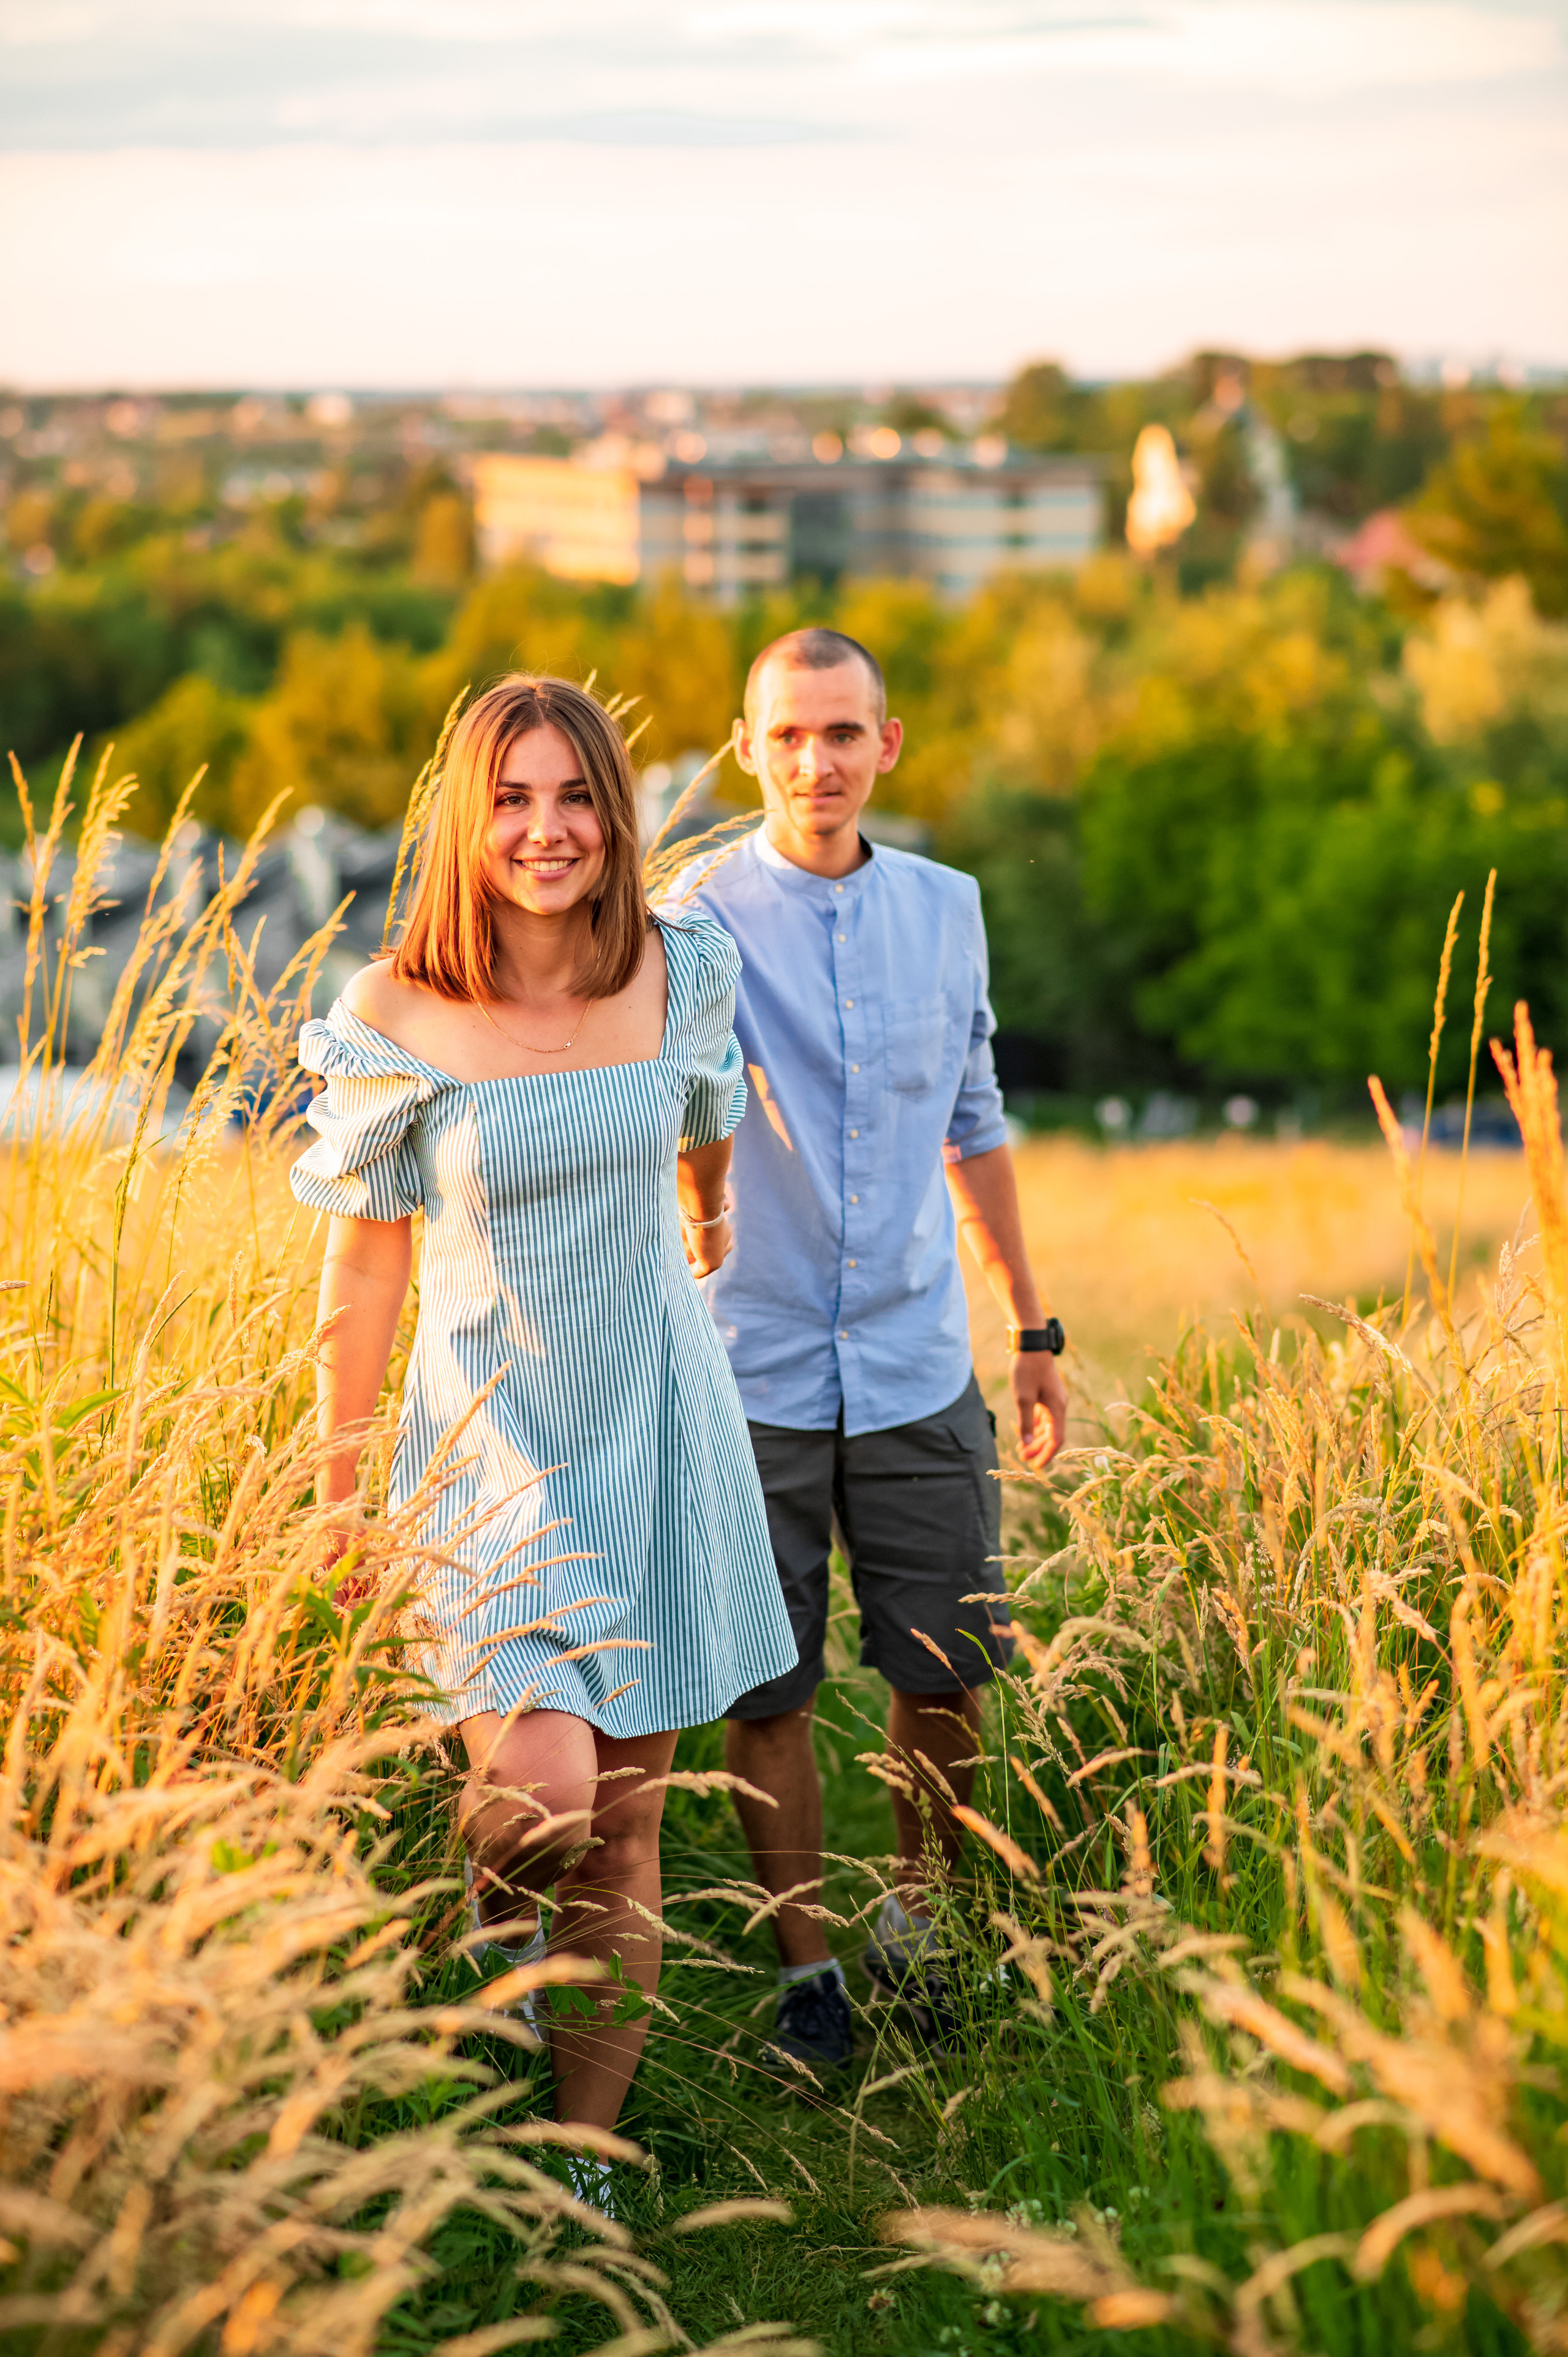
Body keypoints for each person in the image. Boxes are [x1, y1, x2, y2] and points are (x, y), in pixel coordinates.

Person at [290, 674, 798, 2190]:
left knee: (628, 1827)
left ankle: (574, 2162)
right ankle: (488, 1922)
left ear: (613, 813)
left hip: (651, 1421)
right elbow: (367, 1255)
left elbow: (703, 1118)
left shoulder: (676, 969)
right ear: (468, 817)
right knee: (539, 1798)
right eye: (510, 797)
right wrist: (335, 1487)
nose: (545, 828)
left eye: (573, 794)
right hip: (485, 1447)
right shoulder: (394, 1009)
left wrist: (701, 1220)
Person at [669, 627, 1067, 2071]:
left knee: (944, 1668)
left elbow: (973, 1116)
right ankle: (807, 1974)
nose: (816, 762)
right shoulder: (691, 918)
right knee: (765, 1686)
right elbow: (661, 1098)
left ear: (885, 746)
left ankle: (919, 1922)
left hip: (912, 1358)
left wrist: (1030, 1324)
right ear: (746, 747)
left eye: (843, 733)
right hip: (750, 1361)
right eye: (788, 736)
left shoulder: (947, 908)